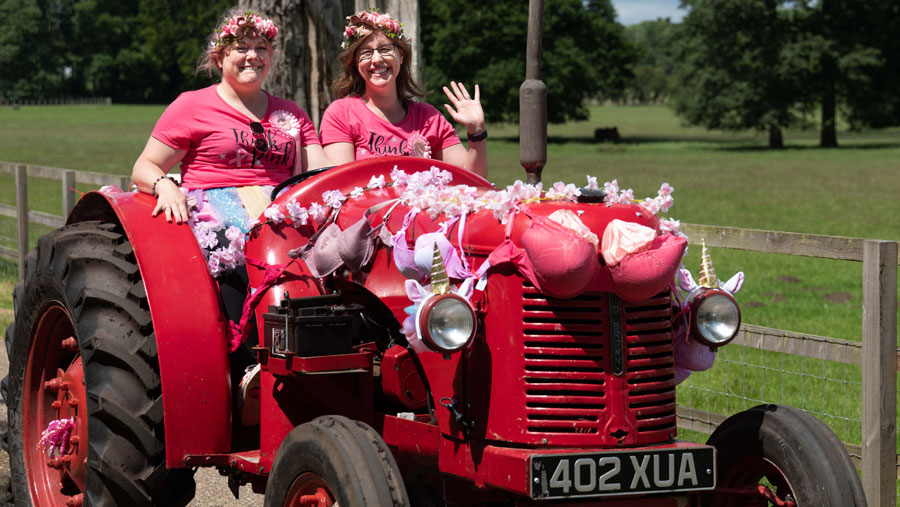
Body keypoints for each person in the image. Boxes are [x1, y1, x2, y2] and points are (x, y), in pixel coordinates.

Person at [131, 8, 331, 425]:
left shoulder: (291, 113)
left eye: (262, 48)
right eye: (241, 48)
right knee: (239, 242)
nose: (252, 56)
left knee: (325, 250)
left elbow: (321, 173)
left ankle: (322, 362)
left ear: (272, 56)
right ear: (220, 57)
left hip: (279, 202)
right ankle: (246, 371)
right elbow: (144, 167)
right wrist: (165, 184)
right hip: (215, 201)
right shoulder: (191, 106)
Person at [319, 9, 488, 177]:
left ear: (400, 55)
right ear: (356, 63)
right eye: (366, 53)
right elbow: (342, 185)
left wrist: (476, 131)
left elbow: (473, 179)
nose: (376, 59)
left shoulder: (429, 118)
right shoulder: (341, 114)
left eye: (385, 49)